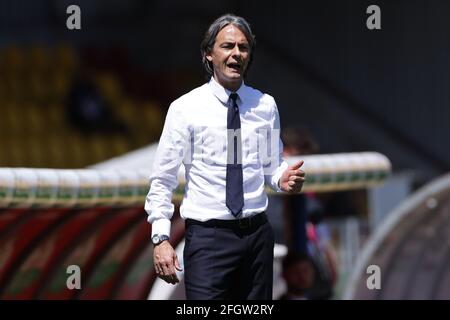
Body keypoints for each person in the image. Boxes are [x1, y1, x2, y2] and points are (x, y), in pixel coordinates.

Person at [144, 14, 305, 300]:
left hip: (257, 236)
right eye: (227, 46)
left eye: (243, 47)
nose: (236, 53)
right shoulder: (185, 109)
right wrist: (161, 238)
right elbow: (163, 180)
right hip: (208, 239)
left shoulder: (265, 106)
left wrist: (283, 178)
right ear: (209, 53)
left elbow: (272, 167)